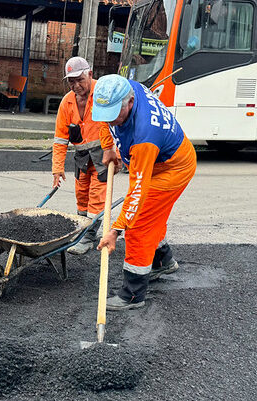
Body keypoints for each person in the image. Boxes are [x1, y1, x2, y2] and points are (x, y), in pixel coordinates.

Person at [92, 74, 196, 311]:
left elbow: (136, 192)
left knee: (139, 224)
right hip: (164, 158)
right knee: (152, 216)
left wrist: (116, 230)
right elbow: (105, 118)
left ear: (129, 103)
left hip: (172, 169)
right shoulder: (124, 89)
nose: (111, 121)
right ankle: (162, 261)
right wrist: (108, 148)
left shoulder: (144, 137)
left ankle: (132, 294)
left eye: (115, 115)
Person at [52, 57, 117, 255]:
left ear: (90, 74)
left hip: (103, 156)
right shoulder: (67, 102)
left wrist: (116, 152)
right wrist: (57, 168)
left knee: (97, 197)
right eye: (71, 81)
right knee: (81, 196)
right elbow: (60, 139)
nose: (76, 85)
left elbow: (115, 126)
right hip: (81, 157)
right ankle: (82, 229)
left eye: (79, 79)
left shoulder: (102, 94)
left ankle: (89, 236)